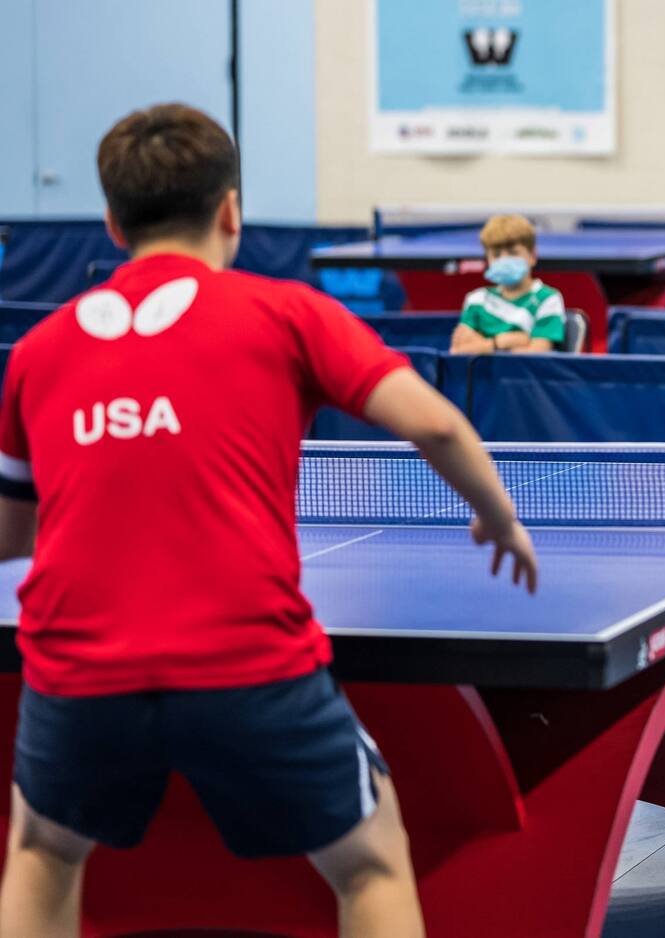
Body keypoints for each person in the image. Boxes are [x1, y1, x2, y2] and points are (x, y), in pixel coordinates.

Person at [0, 103, 540, 937]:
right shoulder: (287, 313)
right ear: (230, 210)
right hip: (246, 663)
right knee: (370, 862)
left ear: (111, 223)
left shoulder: (38, 351)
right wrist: (498, 516)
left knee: (42, 852)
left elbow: (11, 539)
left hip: (79, 670)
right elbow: (435, 422)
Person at [449, 214, 567, 354]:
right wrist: (503, 342)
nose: (504, 260)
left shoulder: (547, 299)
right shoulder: (476, 300)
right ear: (488, 259)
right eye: (496, 255)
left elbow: (537, 354)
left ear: (533, 256)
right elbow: (458, 351)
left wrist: (482, 345)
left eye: (513, 253)